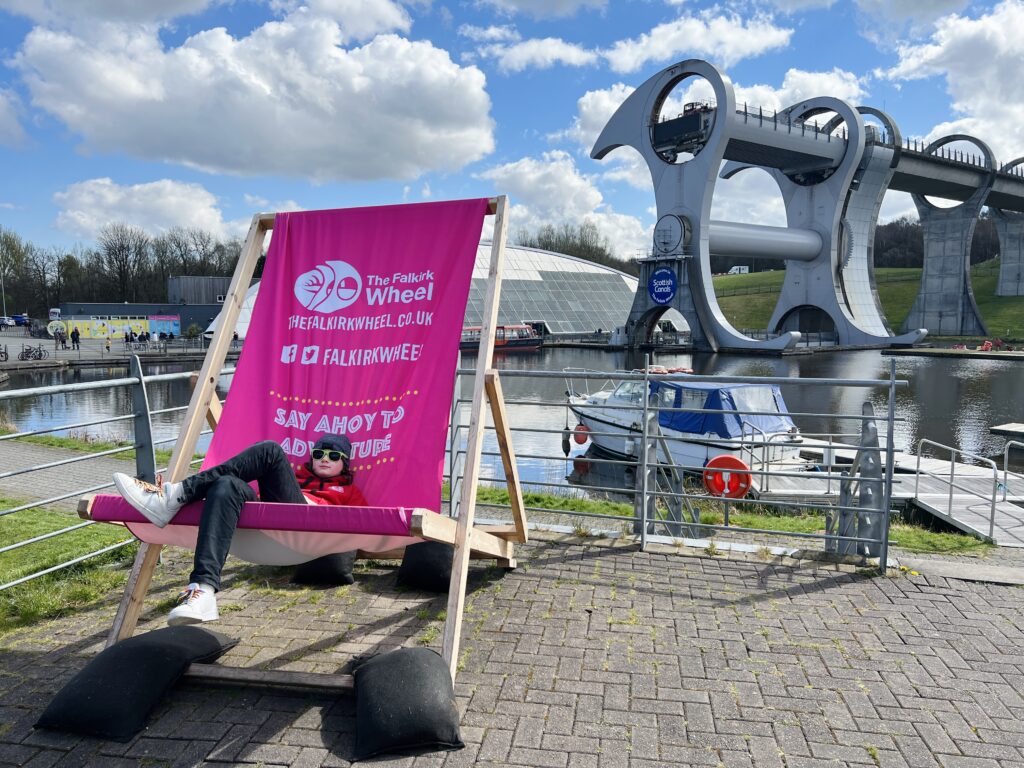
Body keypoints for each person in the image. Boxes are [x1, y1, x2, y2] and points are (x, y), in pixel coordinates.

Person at [112, 435, 367, 625]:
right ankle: (204, 589)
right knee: (225, 485)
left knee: (270, 450)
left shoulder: (349, 491)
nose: (324, 459)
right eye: (319, 453)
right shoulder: (293, 479)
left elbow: (363, 523)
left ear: (344, 464)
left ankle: (175, 495)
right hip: (268, 526)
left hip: (306, 530)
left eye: (334, 456)